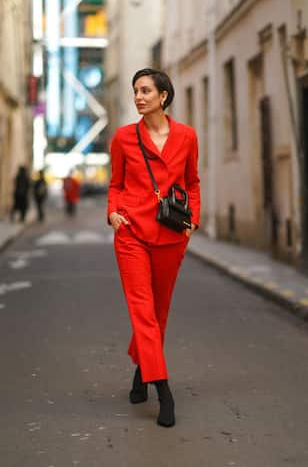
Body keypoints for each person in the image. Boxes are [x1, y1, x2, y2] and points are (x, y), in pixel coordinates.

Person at [107, 68, 201, 427]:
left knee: (158, 314)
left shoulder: (187, 137)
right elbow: (115, 184)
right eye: (135, 91)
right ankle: (163, 391)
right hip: (131, 233)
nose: (138, 97)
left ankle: (140, 372)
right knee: (143, 313)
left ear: (164, 96)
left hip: (171, 235)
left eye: (145, 90)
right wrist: (113, 213)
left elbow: (192, 181)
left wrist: (194, 220)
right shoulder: (123, 138)